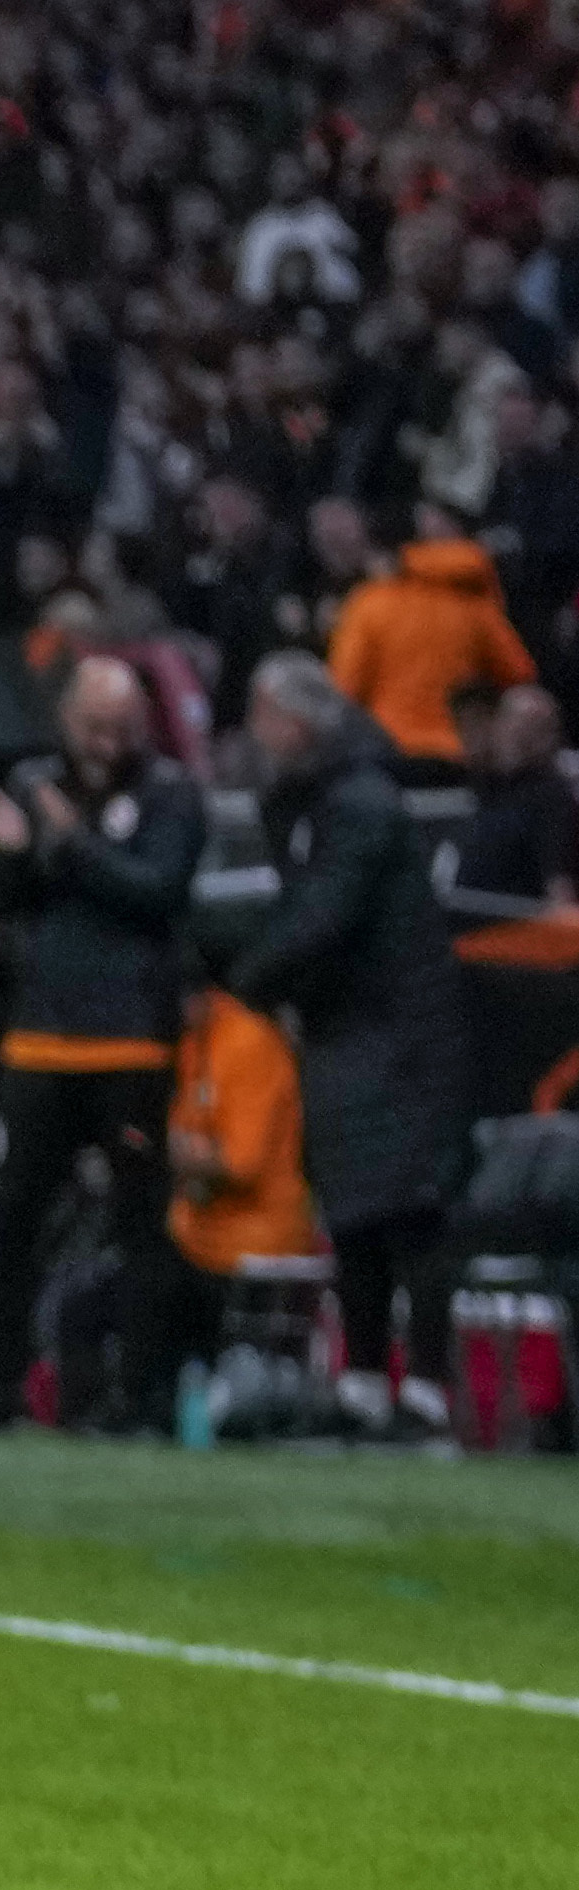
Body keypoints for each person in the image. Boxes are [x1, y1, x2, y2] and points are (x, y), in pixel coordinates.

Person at [0, 657, 208, 1432]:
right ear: (65, 720)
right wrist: (6, 850)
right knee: (12, 1220)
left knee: (139, 1226)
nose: (104, 741)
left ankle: (138, 1396)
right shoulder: (32, 781)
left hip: (129, 1041)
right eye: (92, 725)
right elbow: (1, 901)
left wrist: (63, 843)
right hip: (38, 1037)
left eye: (120, 727)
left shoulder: (170, 795)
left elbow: (153, 892)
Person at [230, 652, 474, 1443]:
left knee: (413, 1214)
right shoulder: (318, 800)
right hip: (349, 1034)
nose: (255, 736)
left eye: (263, 719)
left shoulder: (357, 804)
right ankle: (366, 1385)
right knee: (357, 1215)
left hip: (401, 1037)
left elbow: (321, 918)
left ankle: (427, 1395)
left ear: (293, 722)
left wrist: (244, 982)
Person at [125, 970, 319, 1434]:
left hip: (255, 1233)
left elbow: (241, 1161)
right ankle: (144, 1411)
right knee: (129, 1264)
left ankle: (155, 1412)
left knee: (152, 1277)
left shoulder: (247, 1042)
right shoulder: (192, 1043)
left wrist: (162, 1148)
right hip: (201, 1227)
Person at [324, 506, 534, 783]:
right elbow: (519, 674)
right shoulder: (473, 603)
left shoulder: (367, 602)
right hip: (462, 754)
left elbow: (344, 689)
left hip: (390, 754)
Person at [459, 684, 577, 904]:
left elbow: (558, 882)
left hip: (518, 927)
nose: (521, 736)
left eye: (535, 728)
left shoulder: (551, 799)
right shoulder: (485, 785)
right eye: (515, 723)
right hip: (468, 922)